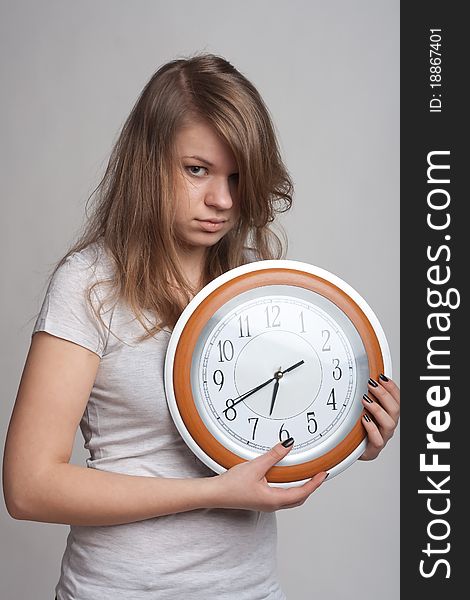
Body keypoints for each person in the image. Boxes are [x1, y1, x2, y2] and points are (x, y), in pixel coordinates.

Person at [2, 54, 400, 600]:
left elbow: (271, 436)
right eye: (198, 170)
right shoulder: (90, 283)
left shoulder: (257, 286)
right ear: (149, 161)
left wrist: (350, 438)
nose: (223, 201)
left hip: (250, 590)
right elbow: (29, 488)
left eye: (238, 177)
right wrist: (211, 492)